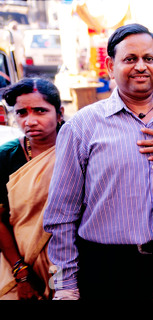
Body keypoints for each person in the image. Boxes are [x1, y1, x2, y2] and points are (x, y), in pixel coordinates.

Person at [42, 24, 153, 300]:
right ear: (111, 66)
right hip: (106, 268)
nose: (141, 67)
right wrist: (65, 285)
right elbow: (61, 214)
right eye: (130, 59)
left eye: (149, 59)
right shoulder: (82, 126)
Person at [0, 78, 64, 300]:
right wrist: (21, 273)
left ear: (59, 113)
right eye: (21, 113)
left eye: (40, 111)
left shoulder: (77, 147)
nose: (30, 121)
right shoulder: (6, 156)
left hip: (73, 262)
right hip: (22, 261)